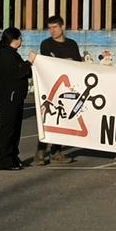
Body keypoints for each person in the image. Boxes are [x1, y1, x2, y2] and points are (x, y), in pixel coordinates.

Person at [35, 15, 79, 166]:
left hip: (67, 89)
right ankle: (41, 151)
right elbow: (48, 62)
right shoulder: (46, 44)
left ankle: (56, 151)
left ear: (62, 27)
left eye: (55, 27)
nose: (52, 31)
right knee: (47, 118)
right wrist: (66, 62)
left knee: (62, 120)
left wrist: (65, 62)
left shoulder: (72, 44)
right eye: (50, 28)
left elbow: (77, 64)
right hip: (50, 86)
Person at [0, 27, 35, 171]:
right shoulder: (5, 55)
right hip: (8, 97)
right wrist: (29, 62)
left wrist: (29, 66)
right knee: (8, 129)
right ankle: (5, 160)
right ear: (13, 39)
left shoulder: (13, 54)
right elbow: (18, 73)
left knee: (15, 128)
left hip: (16, 96)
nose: (21, 40)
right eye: (19, 38)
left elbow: (25, 72)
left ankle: (13, 157)